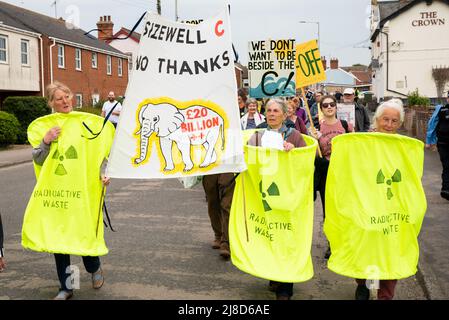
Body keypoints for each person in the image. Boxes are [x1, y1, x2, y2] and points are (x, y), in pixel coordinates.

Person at [26, 82, 113, 300]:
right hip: (57, 195)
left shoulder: (85, 124)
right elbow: (38, 159)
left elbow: (100, 153)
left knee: (82, 236)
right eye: (59, 99)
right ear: (51, 103)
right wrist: (46, 141)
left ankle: (94, 268)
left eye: (67, 96)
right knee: (59, 242)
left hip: (81, 192)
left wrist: (104, 173)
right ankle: (67, 287)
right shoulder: (47, 128)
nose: (64, 101)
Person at [247, 98, 306, 300]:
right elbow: (249, 162)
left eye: (275, 111)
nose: (271, 114)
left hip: (287, 196)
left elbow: (308, 162)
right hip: (265, 196)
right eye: (269, 110)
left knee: (287, 237)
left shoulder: (296, 135)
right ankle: (274, 274)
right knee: (270, 236)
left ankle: (285, 287)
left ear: (284, 114)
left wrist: (294, 152)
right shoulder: (256, 136)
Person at [353, 98, 405, 300]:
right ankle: (365, 285)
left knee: (390, 252)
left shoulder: (404, 146)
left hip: (393, 208)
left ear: (399, 124)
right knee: (367, 248)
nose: (389, 125)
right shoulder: (364, 142)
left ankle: (385, 294)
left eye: (394, 121)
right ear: (376, 120)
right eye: (385, 120)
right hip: (367, 204)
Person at [310, 95, 353, 259]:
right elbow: (312, 154)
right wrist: (315, 140)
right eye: (325, 105)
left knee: (341, 208)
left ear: (336, 107)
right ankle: (332, 243)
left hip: (342, 171)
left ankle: (343, 240)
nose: (329, 107)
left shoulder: (345, 125)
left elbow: (353, 147)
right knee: (328, 210)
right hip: (324, 173)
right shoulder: (315, 128)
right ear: (321, 109)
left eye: (332, 104)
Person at [202, 173, 235, 259]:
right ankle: (218, 234)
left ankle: (226, 242)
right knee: (212, 202)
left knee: (226, 204)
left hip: (229, 165)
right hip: (210, 165)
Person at [426, 92, 449, 201]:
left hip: (443, 143)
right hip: (443, 144)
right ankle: (445, 190)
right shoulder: (441, 110)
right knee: (447, 165)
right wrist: (429, 141)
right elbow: (432, 125)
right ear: (447, 98)